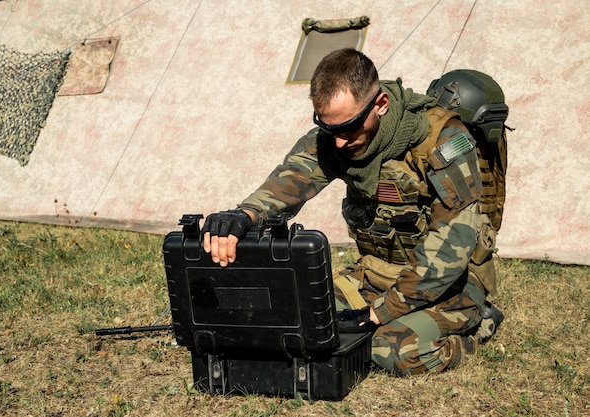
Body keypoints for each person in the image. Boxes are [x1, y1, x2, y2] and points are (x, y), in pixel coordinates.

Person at [201, 48, 503, 376]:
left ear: (381, 105)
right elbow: (295, 176)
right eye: (330, 129)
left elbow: (449, 251)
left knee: (390, 349)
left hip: (451, 284)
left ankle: (477, 330)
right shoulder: (338, 135)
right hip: (375, 273)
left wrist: (381, 312)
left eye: (349, 128)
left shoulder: (443, 140)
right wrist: (246, 215)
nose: (341, 143)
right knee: (296, 315)